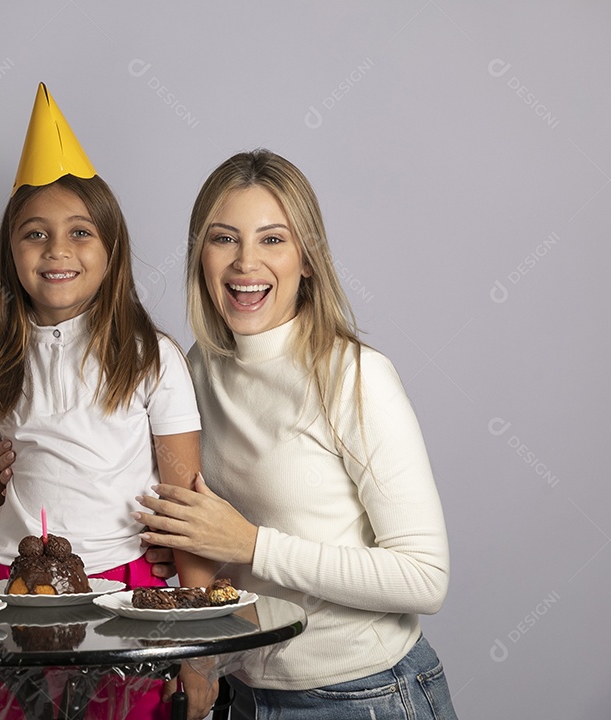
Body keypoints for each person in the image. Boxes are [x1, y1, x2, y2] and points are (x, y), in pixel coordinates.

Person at [0, 84, 218, 720]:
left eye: (80, 232)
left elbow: (187, 514)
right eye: (35, 234)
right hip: (14, 597)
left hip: (127, 595)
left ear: (111, 249)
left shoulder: (153, 358)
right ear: (11, 254)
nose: (57, 250)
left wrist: (198, 651)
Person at [134, 149, 459, 719]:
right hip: (246, 696)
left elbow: (424, 578)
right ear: (199, 255)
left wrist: (250, 545)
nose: (245, 263)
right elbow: (194, 523)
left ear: (307, 259)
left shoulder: (354, 377)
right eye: (224, 238)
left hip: (364, 696)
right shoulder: (195, 370)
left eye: (272, 239)